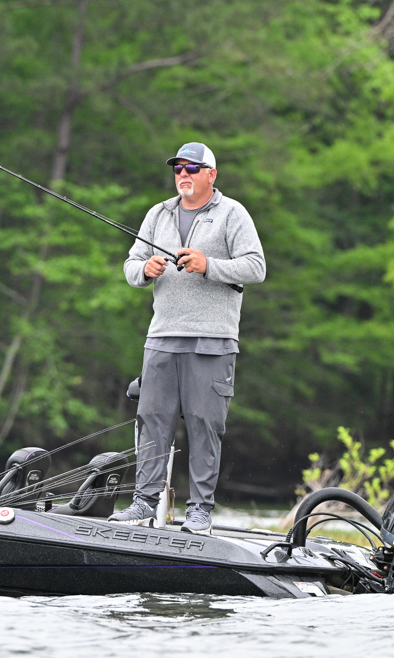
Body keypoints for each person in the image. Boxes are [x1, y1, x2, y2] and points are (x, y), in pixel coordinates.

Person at [109, 142, 266, 533]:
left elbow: (256, 267)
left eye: (192, 168)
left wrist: (208, 264)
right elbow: (130, 266)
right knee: (152, 421)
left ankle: (200, 512)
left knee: (204, 425)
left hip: (213, 341)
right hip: (162, 337)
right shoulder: (157, 213)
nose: (183, 174)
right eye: (178, 168)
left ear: (211, 174)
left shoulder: (232, 213)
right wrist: (145, 270)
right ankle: (143, 504)